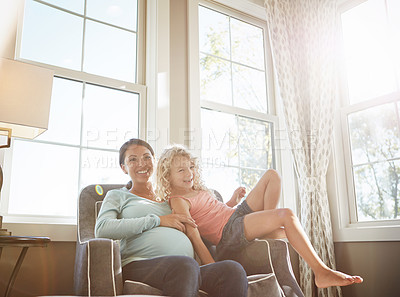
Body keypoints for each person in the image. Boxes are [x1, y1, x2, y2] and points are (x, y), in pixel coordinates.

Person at [156, 145, 364, 289]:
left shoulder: (199, 190)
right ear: (167, 176)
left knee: (273, 178)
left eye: (191, 167)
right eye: (181, 170)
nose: (189, 174)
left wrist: (232, 200)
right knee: (287, 216)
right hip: (228, 233)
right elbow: (193, 231)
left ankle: (264, 230)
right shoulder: (178, 200)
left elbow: (213, 212)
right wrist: (211, 265)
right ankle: (321, 272)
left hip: (234, 216)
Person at [95, 138, 248, 297]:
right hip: (141, 264)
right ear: (124, 168)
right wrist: (159, 220)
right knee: (185, 266)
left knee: (232, 269)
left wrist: (231, 203)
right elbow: (102, 229)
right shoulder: (118, 195)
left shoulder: (174, 197)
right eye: (133, 159)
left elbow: (208, 218)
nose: (141, 163)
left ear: (155, 162)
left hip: (188, 268)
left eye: (147, 157)